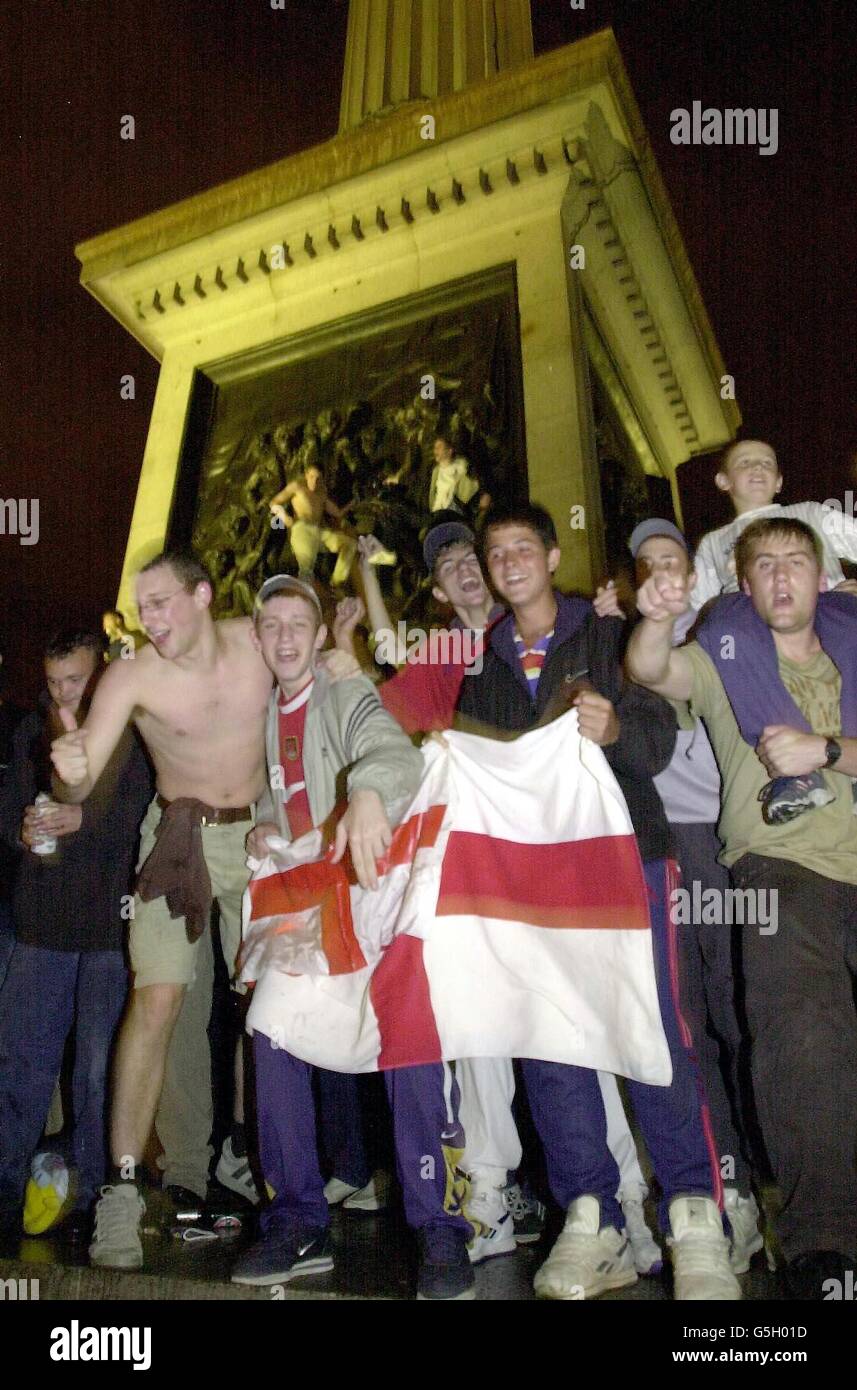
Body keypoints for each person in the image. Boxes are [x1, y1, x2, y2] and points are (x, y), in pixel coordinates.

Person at [455, 502, 740, 1300]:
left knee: (653, 1029)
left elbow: (655, 745)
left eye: (522, 547)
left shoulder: (609, 637)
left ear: (551, 557)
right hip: (533, 881)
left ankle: (692, 1214)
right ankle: (592, 1217)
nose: (508, 561)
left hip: (626, 862)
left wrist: (614, 730)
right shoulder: (481, 663)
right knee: (551, 1040)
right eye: (495, 552)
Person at [626, 515, 857, 1298]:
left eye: (797, 561)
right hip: (783, 868)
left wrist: (827, 752)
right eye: (765, 566)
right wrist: (656, 614)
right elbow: (650, 668)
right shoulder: (720, 656)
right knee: (801, 1037)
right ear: (744, 584)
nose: (783, 576)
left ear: (821, 578)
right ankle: (825, 1248)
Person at [232, 575, 476, 1300]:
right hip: (312, 896)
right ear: (257, 636)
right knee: (269, 1026)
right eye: (270, 623)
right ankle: (298, 1215)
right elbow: (278, 792)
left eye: (296, 623)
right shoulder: (262, 713)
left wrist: (368, 789)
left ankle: (439, 1225)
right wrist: (264, 824)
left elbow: (391, 751)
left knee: (410, 1032)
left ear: (317, 634)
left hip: (377, 886)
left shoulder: (341, 691)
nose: (283, 636)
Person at [49, 552, 277, 1269]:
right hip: (176, 835)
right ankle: (120, 1189)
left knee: (269, 1004)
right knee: (157, 999)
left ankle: (250, 1153)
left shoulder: (257, 642)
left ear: (203, 596)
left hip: (259, 831)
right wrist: (71, 771)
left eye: (161, 602)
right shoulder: (131, 676)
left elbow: (325, 680)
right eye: (142, 607)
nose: (150, 619)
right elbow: (80, 777)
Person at [597, 519, 763, 1272]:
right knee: (690, 1016)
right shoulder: (633, 649)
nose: (664, 574)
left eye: (675, 561)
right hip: (670, 847)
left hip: (734, 842)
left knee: (740, 1010)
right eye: (648, 567)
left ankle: (764, 1178)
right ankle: (725, 1182)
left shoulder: (731, 627)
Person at [0, 628, 152, 1250]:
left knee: (98, 1071)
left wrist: (81, 817)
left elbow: (141, 809)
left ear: (103, 676)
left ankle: (93, 1199)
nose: (64, 692)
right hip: (40, 926)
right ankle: (5, 1188)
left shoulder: (134, 730)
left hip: (109, 932)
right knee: (20, 1062)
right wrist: (24, 827)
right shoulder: (31, 733)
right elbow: (8, 809)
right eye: (55, 680)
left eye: (77, 680)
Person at [690, 438, 857, 608]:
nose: (758, 467)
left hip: (828, 613)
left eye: (767, 463)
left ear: (778, 482)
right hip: (753, 627)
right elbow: (697, 605)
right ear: (723, 481)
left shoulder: (811, 512)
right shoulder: (712, 542)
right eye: (745, 462)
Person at [269, 463, 357, 586]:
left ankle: (336, 583)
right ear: (306, 475)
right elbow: (273, 502)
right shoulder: (297, 486)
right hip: (302, 529)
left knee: (349, 544)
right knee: (306, 572)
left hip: (319, 532)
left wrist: (352, 503)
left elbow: (337, 512)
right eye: (311, 477)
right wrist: (285, 517)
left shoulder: (322, 493)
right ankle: (302, 601)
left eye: (318, 478)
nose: (314, 481)